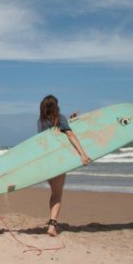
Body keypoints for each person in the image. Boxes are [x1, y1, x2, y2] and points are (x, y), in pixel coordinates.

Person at [38, 95, 91, 236]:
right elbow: (70, 135)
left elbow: (46, 139)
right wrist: (83, 154)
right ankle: (52, 226)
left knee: (54, 193)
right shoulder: (59, 118)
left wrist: (70, 120)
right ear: (56, 106)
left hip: (47, 163)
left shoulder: (41, 121)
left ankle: (52, 221)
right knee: (57, 194)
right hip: (59, 162)